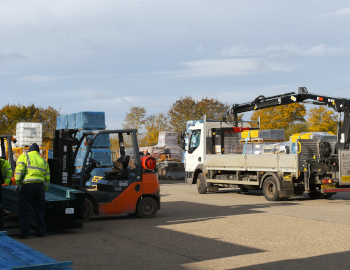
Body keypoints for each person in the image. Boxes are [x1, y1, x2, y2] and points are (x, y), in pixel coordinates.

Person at [15, 143, 50, 239]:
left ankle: (25, 233)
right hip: (39, 188)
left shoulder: (24, 156)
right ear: (38, 152)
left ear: (29, 150)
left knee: (24, 210)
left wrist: (17, 184)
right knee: (40, 211)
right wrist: (44, 190)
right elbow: (47, 178)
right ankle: (41, 232)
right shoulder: (43, 161)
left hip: (27, 186)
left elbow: (19, 171)